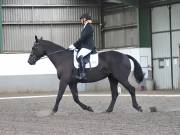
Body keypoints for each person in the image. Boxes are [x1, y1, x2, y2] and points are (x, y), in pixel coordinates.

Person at [69, 13, 96, 79]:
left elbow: (83, 38)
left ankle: (83, 74)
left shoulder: (89, 26)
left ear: (85, 19)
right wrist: (76, 47)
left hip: (88, 46)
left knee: (79, 56)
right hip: (85, 46)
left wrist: (74, 45)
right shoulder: (86, 26)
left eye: (81, 19)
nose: (80, 21)